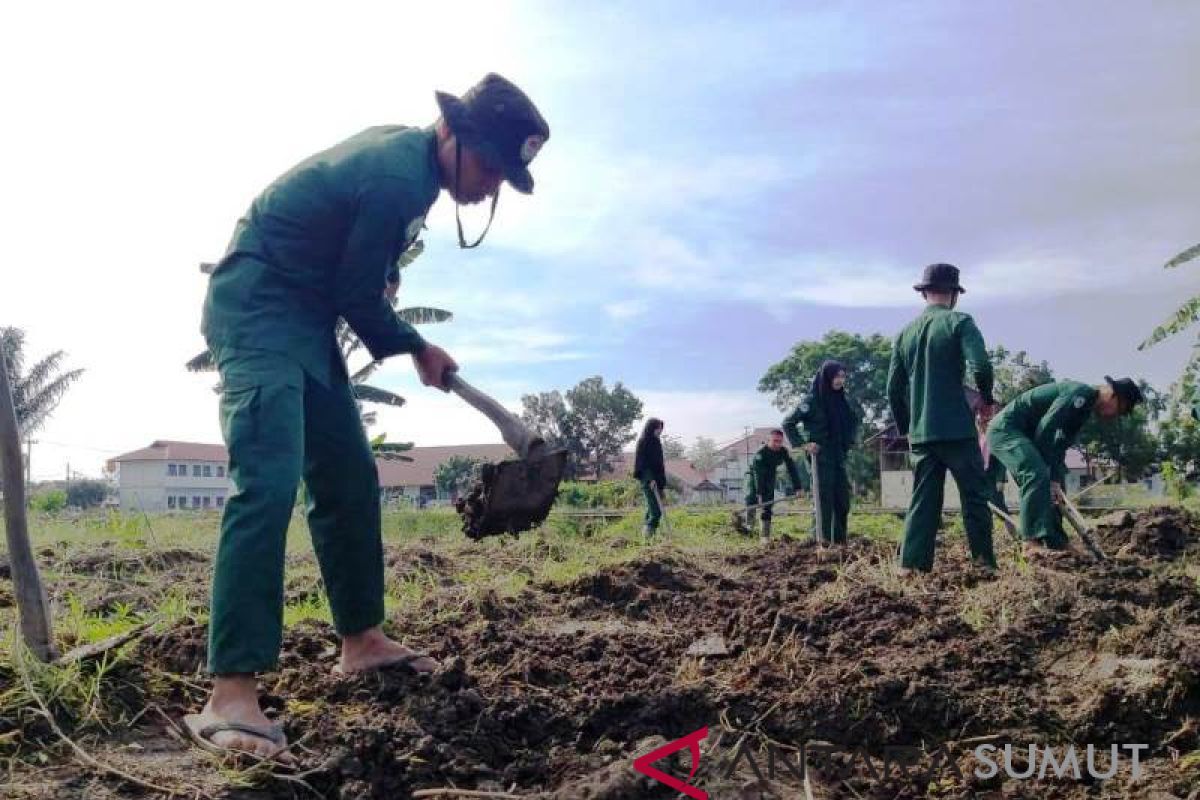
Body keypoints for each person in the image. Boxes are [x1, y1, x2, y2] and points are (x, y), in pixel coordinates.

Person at [187, 74, 550, 759]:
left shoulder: (411, 173)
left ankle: (361, 640)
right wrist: (416, 344)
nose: (492, 185)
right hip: (260, 305)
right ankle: (228, 694)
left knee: (349, 478)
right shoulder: (395, 176)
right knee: (267, 481)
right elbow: (357, 292)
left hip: (306, 318)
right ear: (453, 133)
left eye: (505, 175)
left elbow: (360, 273)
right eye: (490, 165)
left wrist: (389, 293)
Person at [886, 263, 997, 575]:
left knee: (923, 501)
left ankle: (911, 566)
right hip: (958, 431)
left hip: (922, 435)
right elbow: (982, 367)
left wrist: (908, 428)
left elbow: (893, 389)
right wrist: (985, 401)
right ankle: (983, 564)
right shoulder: (960, 322)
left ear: (924, 294)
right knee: (974, 497)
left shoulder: (904, 334)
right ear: (954, 295)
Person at [987, 377, 1143, 558]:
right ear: (1113, 396)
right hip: (1007, 430)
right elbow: (1046, 429)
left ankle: (1057, 542)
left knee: (1056, 487)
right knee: (1036, 473)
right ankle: (1030, 543)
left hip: (1027, 436)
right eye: (1119, 410)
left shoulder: (1084, 410)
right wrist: (1046, 471)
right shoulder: (1080, 394)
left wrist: (1054, 478)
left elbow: (1060, 444)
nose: (1113, 416)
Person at [782, 360, 859, 543]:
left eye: (842, 377)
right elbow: (788, 423)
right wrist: (804, 444)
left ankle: (839, 541)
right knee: (823, 498)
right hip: (820, 456)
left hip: (838, 456)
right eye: (836, 376)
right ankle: (821, 539)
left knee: (842, 499)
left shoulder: (841, 401)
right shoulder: (811, 401)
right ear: (826, 378)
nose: (840, 380)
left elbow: (851, 422)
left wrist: (849, 441)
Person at [745, 429, 804, 544]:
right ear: (769, 440)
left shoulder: (783, 451)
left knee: (768, 504)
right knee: (751, 498)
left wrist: (798, 487)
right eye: (775, 441)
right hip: (753, 476)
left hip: (770, 475)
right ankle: (749, 527)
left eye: (780, 441)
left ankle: (764, 536)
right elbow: (758, 475)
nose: (777, 444)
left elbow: (792, 469)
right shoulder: (760, 453)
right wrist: (759, 493)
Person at [633, 418, 669, 537]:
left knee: (651, 509)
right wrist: (650, 479)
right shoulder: (643, 441)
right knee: (656, 511)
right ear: (652, 428)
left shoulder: (656, 442)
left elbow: (659, 465)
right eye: (658, 428)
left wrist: (661, 484)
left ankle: (647, 538)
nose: (660, 431)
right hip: (648, 481)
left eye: (661, 428)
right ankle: (647, 536)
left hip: (657, 481)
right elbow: (643, 463)